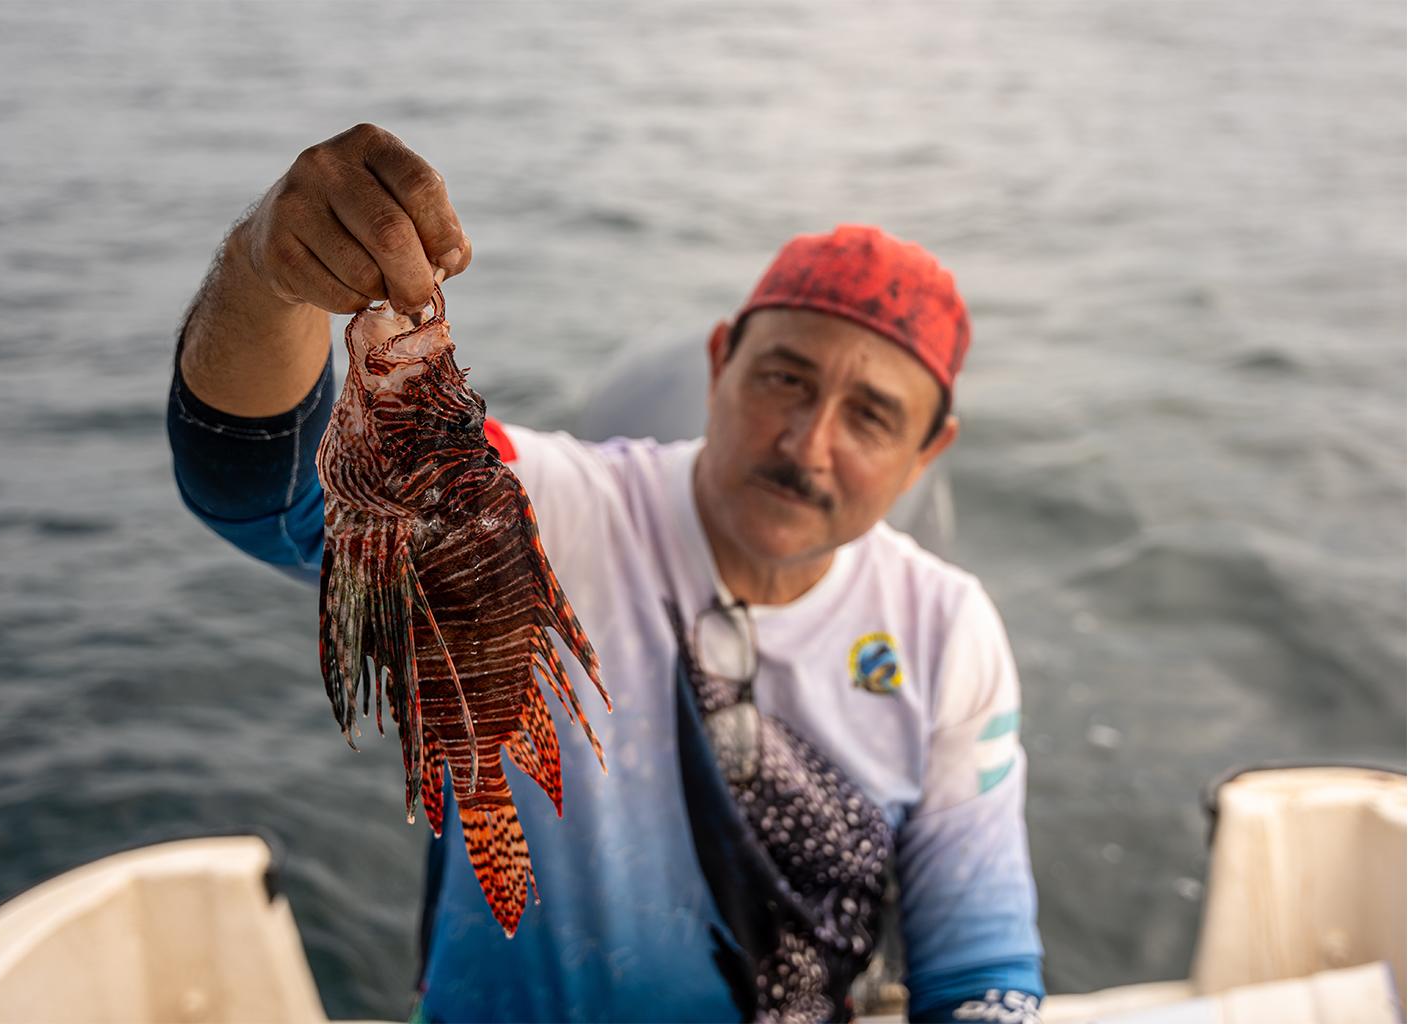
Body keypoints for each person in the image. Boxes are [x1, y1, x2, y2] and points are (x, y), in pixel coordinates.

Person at [168, 124, 1044, 1023]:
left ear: (926, 451)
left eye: (870, 415)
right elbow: (262, 494)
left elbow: (980, 964)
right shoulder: (535, 500)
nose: (805, 444)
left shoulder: (947, 628)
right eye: (784, 379)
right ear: (718, 364)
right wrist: (267, 278)